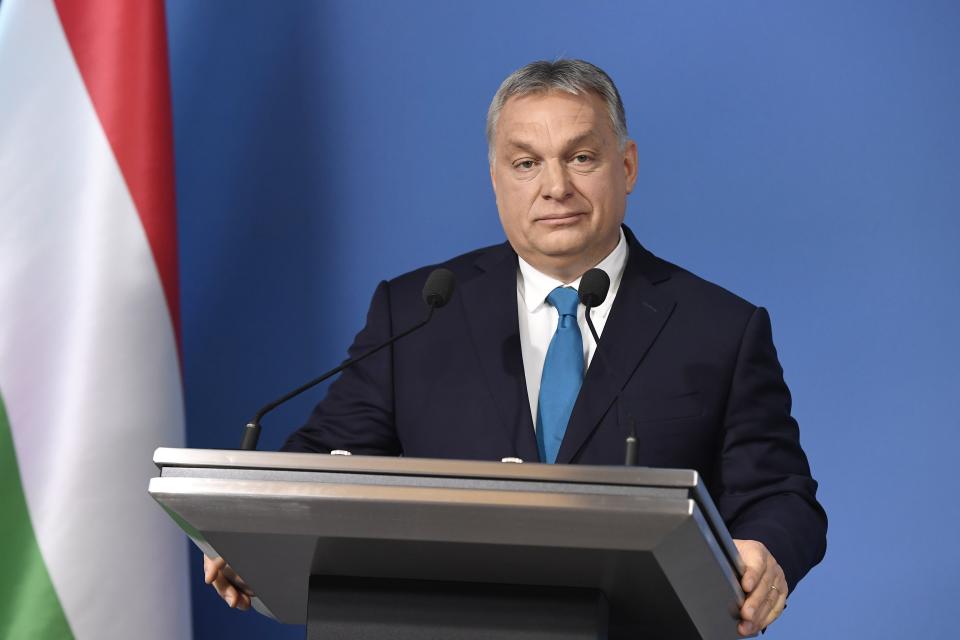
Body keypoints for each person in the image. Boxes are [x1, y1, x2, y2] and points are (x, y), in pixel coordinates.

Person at [205, 59, 827, 636]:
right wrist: (257, 535)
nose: (554, 186)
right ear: (496, 179)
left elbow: (780, 495)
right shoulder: (418, 310)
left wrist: (767, 551)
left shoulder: (719, 326)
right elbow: (321, 461)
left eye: (580, 157)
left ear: (627, 165)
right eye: (526, 163)